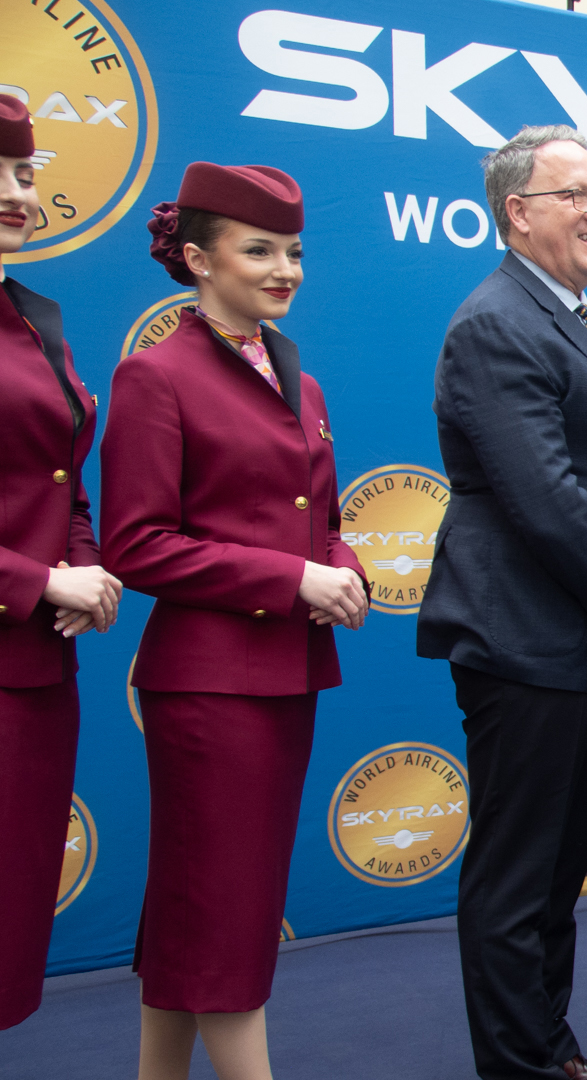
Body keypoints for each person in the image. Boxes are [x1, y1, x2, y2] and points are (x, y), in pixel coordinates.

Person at [416, 125, 587, 1080]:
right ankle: (523, 1067)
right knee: (519, 875)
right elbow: (547, 501)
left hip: (585, 640)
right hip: (527, 640)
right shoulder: (497, 321)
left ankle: (551, 1055)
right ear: (517, 212)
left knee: (557, 869)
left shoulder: (582, 321)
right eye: (576, 195)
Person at [103, 162, 368, 1078]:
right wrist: (293, 579)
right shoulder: (154, 376)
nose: (285, 269)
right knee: (221, 907)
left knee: (208, 904)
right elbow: (136, 546)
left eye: (293, 251)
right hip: (207, 685)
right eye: (259, 250)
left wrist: (341, 566)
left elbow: (323, 522)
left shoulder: (303, 381)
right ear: (197, 259)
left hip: (287, 675)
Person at [0, 94, 122, 1031]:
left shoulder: (33, 316)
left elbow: (62, 479)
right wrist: (36, 581)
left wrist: (82, 567)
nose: (18, 193)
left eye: (25, 173)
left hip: (37, 670)